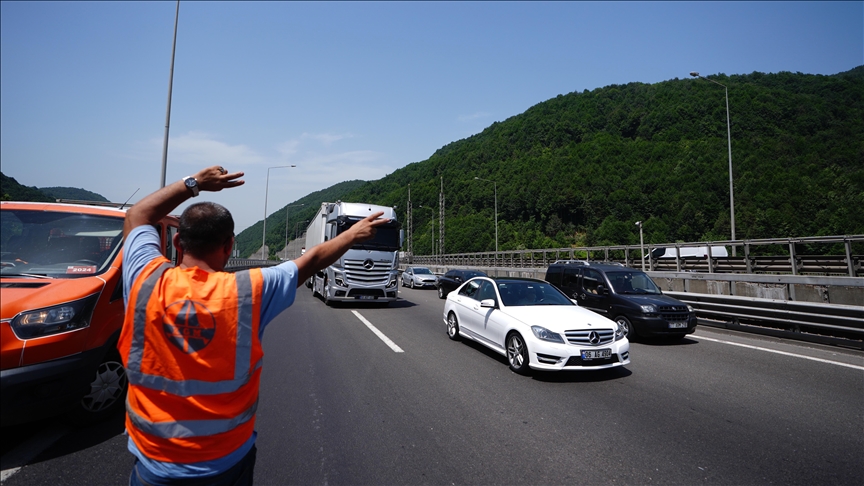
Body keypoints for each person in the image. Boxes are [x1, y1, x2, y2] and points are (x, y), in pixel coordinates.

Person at [119, 165, 387, 485]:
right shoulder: (249, 291)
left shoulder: (144, 279)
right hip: (225, 462)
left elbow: (137, 215)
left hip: (153, 462)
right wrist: (353, 234)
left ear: (178, 243)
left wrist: (195, 184)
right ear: (230, 246)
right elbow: (312, 260)